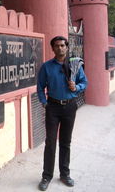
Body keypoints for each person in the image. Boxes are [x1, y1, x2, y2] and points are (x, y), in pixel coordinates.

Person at [37, 36, 88, 191]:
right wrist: (45, 103)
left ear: (67, 47)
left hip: (70, 107)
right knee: (50, 142)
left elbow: (84, 82)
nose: (60, 48)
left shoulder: (74, 65)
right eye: (56, 46)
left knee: (65, 142)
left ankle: (65, 174)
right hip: (52, 107)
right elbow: (40, 87)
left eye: (62, 45)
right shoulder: (46, 67)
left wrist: (76, 87)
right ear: (52, 48)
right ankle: (46, 176)